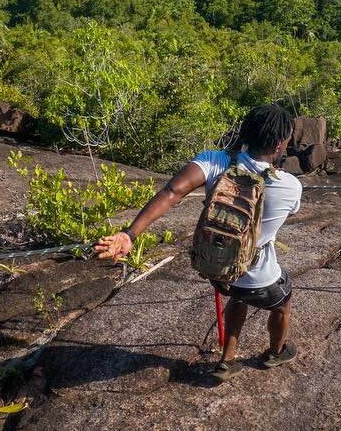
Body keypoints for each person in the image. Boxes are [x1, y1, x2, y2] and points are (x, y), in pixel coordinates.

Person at [95, 104, 303, 383]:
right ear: (279, 144)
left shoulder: (215, 161)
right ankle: (277, 352)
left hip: (215, 270)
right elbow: (289, 212)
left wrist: (129, 234)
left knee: (237, 296)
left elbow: (172, 191)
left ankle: (228, 361)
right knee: (283, 302)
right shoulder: (290, 185)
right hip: (258, 279)